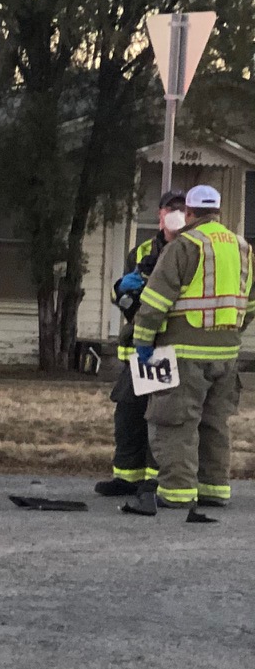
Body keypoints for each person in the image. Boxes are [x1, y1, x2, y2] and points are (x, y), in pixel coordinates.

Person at [127, 183, 252, 514]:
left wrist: (142, 339)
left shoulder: (185, 245)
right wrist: (231, 331)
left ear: (190, 213)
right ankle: (214, 489)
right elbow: (250, 304)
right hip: (226, 355)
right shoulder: (243, 248)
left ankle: (177, 493)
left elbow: (155, 300)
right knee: (215, 424)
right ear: (218, 211)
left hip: (184, 353)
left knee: (176, 423)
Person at [96, 190, 184, 497]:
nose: (174, 215)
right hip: (139, 346)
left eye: (181, 209)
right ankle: (126, 476)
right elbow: (121, 295)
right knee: (129, 413)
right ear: (159, 214)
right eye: (169, 209)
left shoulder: (190, 248)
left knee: (157, 417)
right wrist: (123, 289)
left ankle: (152, 480)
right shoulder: (144, 250)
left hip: (165, 344)